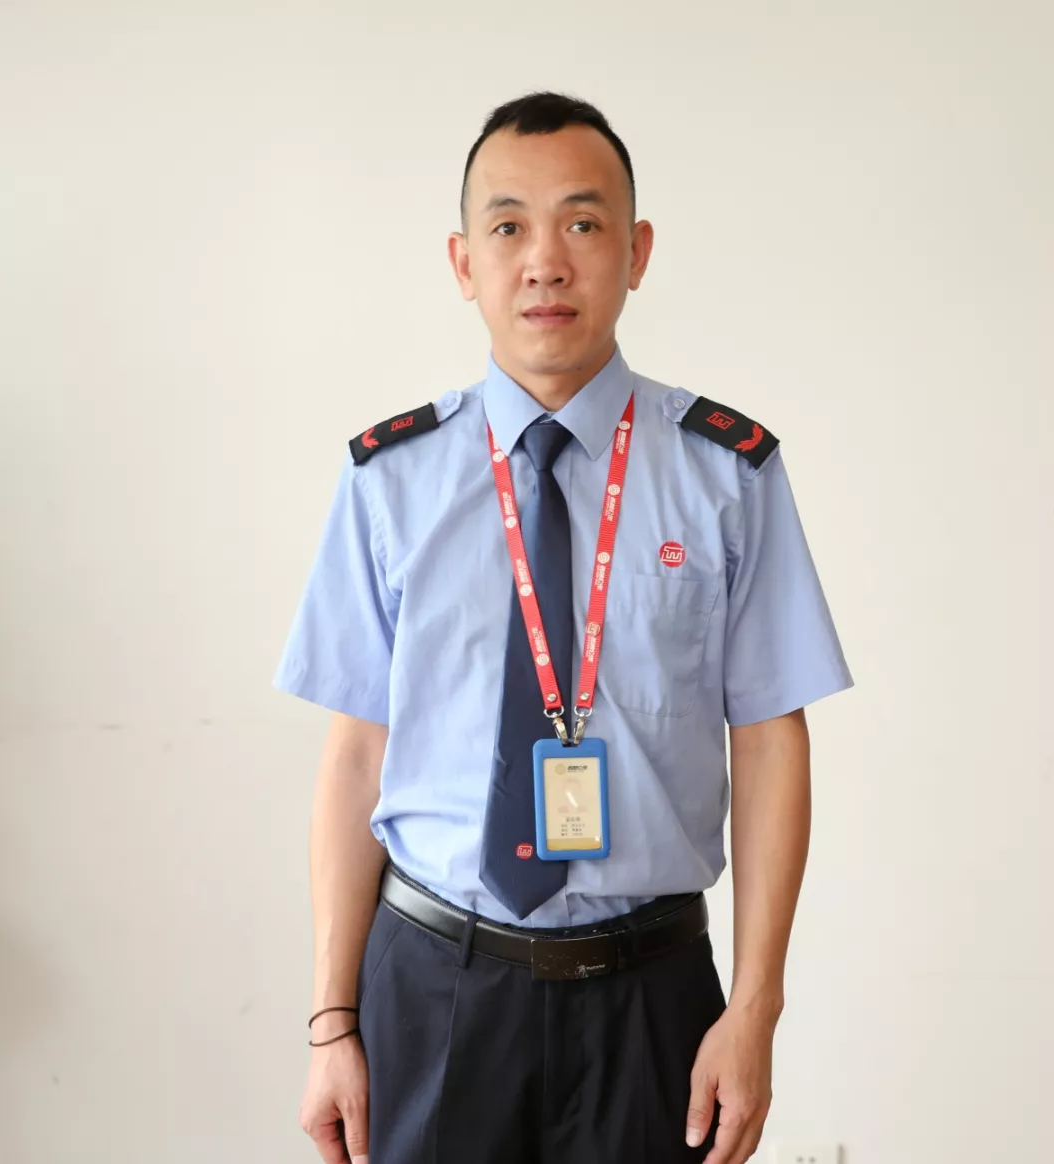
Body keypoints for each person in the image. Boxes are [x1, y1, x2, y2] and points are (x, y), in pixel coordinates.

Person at [274, 90, 853, 1164]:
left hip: (652, 999)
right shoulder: (390, 483)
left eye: (583, 223)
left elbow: (773, 739)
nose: (545, 261)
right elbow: (356, 757)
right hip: (434, 986)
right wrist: (331, 1021)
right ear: (464, 264)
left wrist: (755, 1011)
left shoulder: (726, 476)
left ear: (636, 252)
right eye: (509, 228)